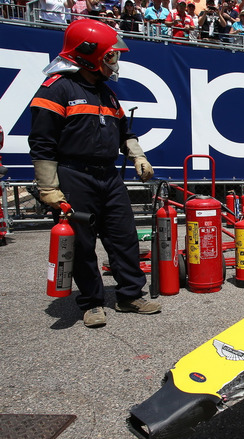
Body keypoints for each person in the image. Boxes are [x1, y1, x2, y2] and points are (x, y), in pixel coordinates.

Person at [28, 19, 160, 328]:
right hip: (74, 176)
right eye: (109, 55)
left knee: (124, 237)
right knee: (82, 245)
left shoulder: (108, 95)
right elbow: (41, 143)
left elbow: (125, 134)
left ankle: (129, 295)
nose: (114, 62)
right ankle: (92, 302)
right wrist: (49, 188)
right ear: (87, 55)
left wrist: (138, 157)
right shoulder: (57, 89)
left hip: (108, 176)